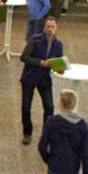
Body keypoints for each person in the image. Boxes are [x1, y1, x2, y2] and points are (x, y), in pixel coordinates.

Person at [20, 17, 63, 145]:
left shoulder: (58, 44)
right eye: (48, 26)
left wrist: (59, 69)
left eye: (52, 27)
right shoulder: (35, 39)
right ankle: (27, 132)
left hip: (44, 79)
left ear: (56, 28)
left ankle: (47, 133)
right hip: (30, 77)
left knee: (49, 106)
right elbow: (24, 57)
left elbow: (58, 61)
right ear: (44, 27)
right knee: (26, 106)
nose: (50, 29)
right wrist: (41, 63)